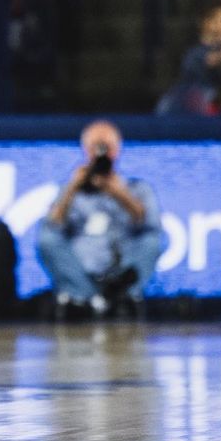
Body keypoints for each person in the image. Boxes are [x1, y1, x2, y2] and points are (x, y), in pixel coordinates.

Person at [35, 121, 161, 317]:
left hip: (122, 265)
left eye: (106, 148)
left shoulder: (136, 188)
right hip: (81, 265)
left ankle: (123, 295)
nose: (101, 154)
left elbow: (147, 222)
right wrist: (72, 187)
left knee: (153, 240)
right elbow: (54, 224)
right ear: (86, 151)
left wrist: (118, 192)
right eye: (96, 148)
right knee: (46, 237)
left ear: (117, 150)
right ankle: (86, 296)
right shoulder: (72, 189)